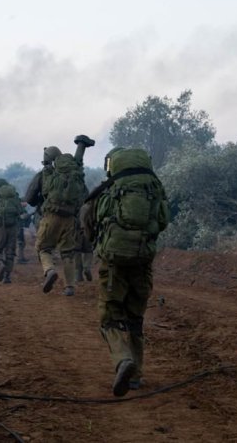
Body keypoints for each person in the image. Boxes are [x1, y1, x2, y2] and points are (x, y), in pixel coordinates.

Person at [81, 147, 169, 397]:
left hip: (114, 264)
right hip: (143, 261)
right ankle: (136, 376)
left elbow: (89, 223)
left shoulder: (107, 191)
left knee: (109, 318)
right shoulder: (154, 189)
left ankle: (122, 360)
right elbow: (162, 221)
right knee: (136, 319)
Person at [26, 145, 86, 297]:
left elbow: (29, 198)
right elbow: (84, 196)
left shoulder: (44, 174)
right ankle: (70, 287)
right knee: (68, 253)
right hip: (70, 218)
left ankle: (50, 270)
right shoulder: (75, 174)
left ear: (47, 159)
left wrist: (42, 199)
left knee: (43, 248)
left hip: (50, 216)